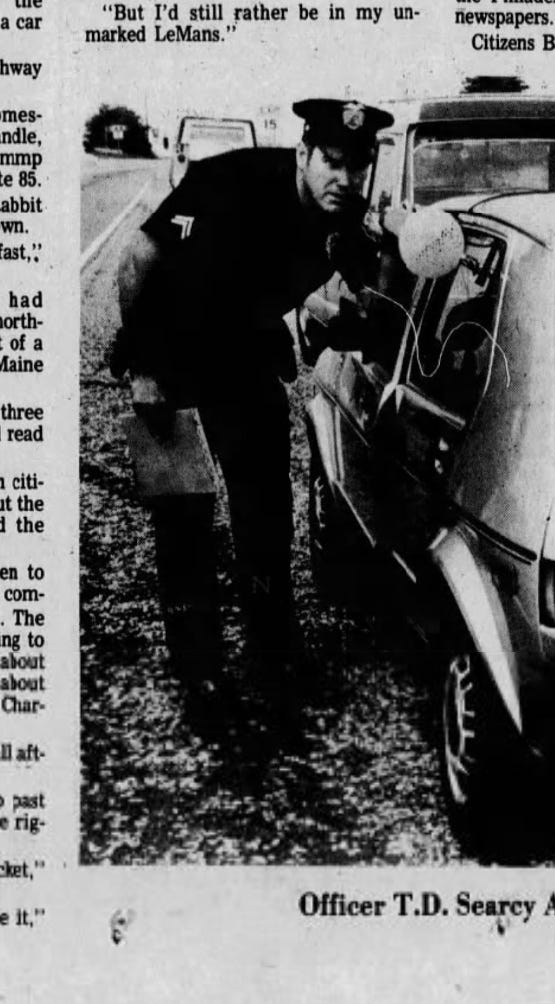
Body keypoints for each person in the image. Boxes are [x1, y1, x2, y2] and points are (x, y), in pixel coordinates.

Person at [110, 98, 394, 741]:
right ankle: (200, 668)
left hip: (241, 351)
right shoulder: (229, 185)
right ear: (303, 155)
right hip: (173, 346)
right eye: (332, 162)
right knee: (184, 509)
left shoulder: (346, 221)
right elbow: (136, 259)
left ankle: (272, 646)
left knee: (264, 500)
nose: (345, 179)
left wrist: (398, 249)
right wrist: (148, 368)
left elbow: (366, 296)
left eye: (360, 165)